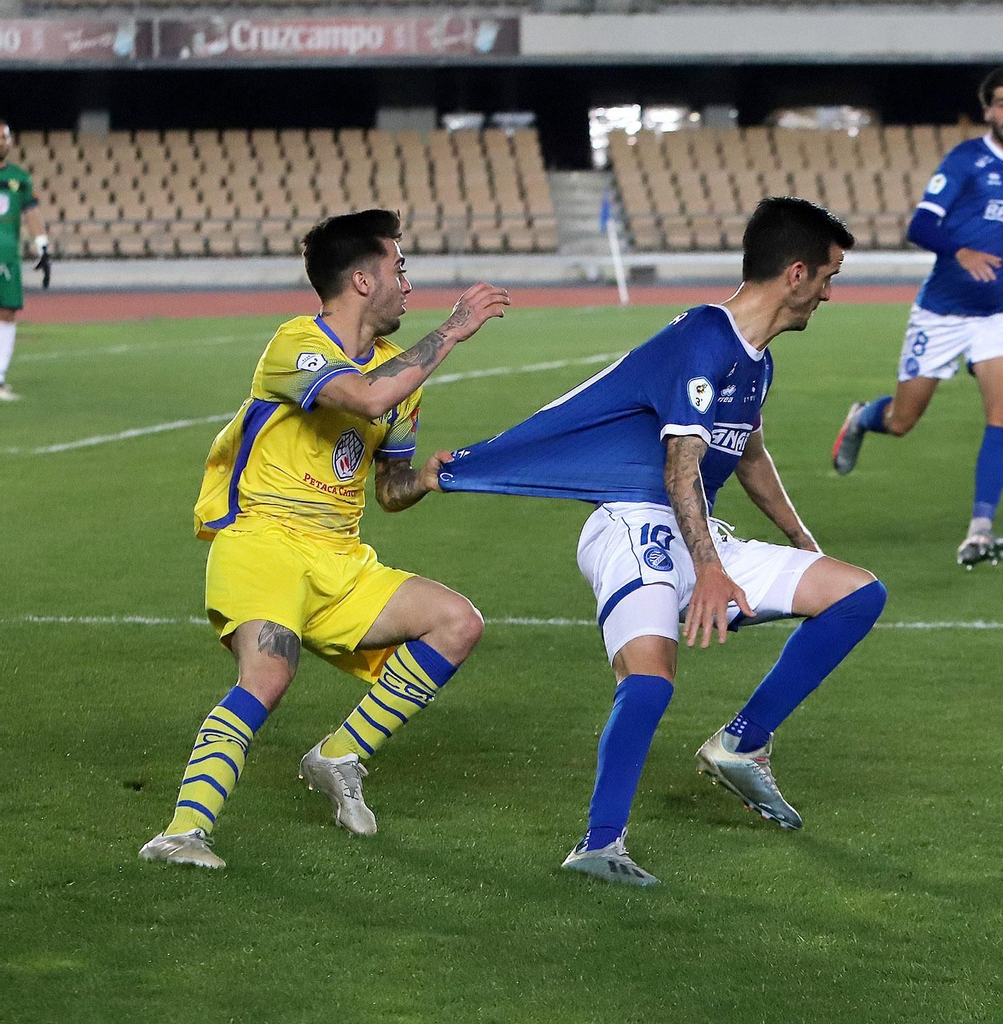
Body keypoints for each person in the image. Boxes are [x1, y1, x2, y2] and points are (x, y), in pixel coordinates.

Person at [438, 197, 887, 887]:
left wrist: (801, 540)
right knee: (649, 679)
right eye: (828, 275)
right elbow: (681, 461)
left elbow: (747, 453)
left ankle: (741, 745)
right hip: (633, 518)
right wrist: (707, 570)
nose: (830, 292)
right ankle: (599, 845)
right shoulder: (706, 337)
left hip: (698, 529)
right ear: (797, 274)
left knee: (856, 593)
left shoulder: (754, 359)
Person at [138, 210, 510, 870]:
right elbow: (363, 399)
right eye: (399, 267)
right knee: (269, 676)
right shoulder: (297, 343)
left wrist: (423, 477)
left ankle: (338, 755)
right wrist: (454, 328)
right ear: (362, 280)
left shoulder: (401, 374)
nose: (407, 283)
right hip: (264, 543)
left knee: (457, 622)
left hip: (340, 557)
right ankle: (182, 831)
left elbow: (388, 489)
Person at [830, 65, 1003, 568]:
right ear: (987, 110)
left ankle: (980, 531)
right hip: (942, 312)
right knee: (903, 420)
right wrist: (962, 253)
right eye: (1002, 103)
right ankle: (864, 418)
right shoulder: (967, 160)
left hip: (1001, 313)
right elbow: (920, 225)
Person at [0, 120, 52, 401]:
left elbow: (32, 215)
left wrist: (42, 247)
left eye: (5, 137)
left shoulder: (19, 178)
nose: (2, 142)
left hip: (7, 254)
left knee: (7, 311)